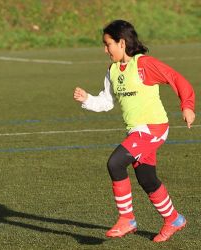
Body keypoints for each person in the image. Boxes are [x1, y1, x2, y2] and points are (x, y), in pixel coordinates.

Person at [73, 20, 195, 242]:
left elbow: (175, 78)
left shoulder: (144, 64)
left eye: (107, 44)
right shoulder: (112, 70)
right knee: (147, 179)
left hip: (153, 129)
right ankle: (174, 219)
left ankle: (127, 218)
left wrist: (187, 105)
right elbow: (106, 102)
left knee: (116, 162)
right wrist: (87, 99)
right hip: (137, 133)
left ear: (121, 42)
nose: (105, 49)